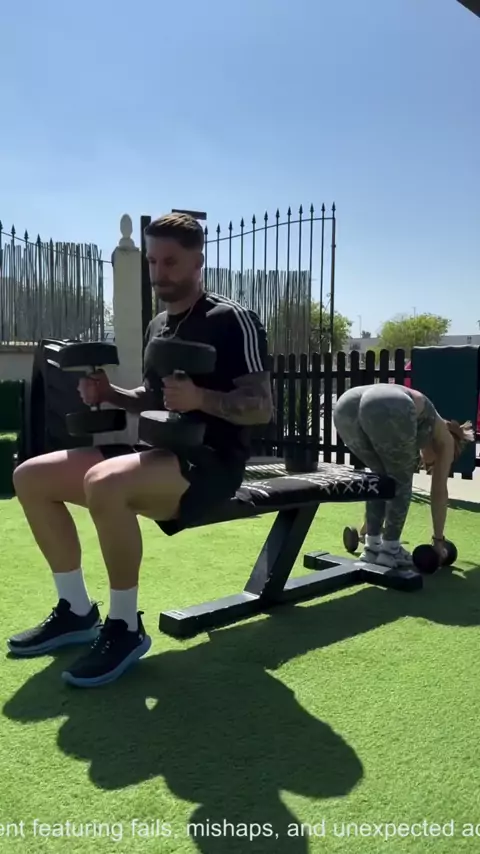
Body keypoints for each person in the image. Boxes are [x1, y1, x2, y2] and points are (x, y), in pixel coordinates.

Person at [9, 213, 273, 687]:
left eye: (170, 262)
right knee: (30, 477)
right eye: (152, 261)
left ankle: (125, 626)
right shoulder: (159, 325)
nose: (158, 272)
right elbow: (153, 398)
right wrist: (110, 393)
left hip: (211, 463)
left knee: (104, 482)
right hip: (154, 453)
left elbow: (262, 407)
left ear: (198, 260)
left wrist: (201, 399)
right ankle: (76, 610)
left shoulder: (232, 320)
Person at [334, 382, 474, 570]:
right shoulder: (446, 439)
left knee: (380, 477)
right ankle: (390, 551)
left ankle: (372, 548)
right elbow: (439, 491)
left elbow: (384, 489)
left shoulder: (418, 431)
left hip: (345, 405)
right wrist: (439, 541)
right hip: (387, 402)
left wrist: (367, 528)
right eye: (432, 464)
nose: (428, 466)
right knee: (402, 481)